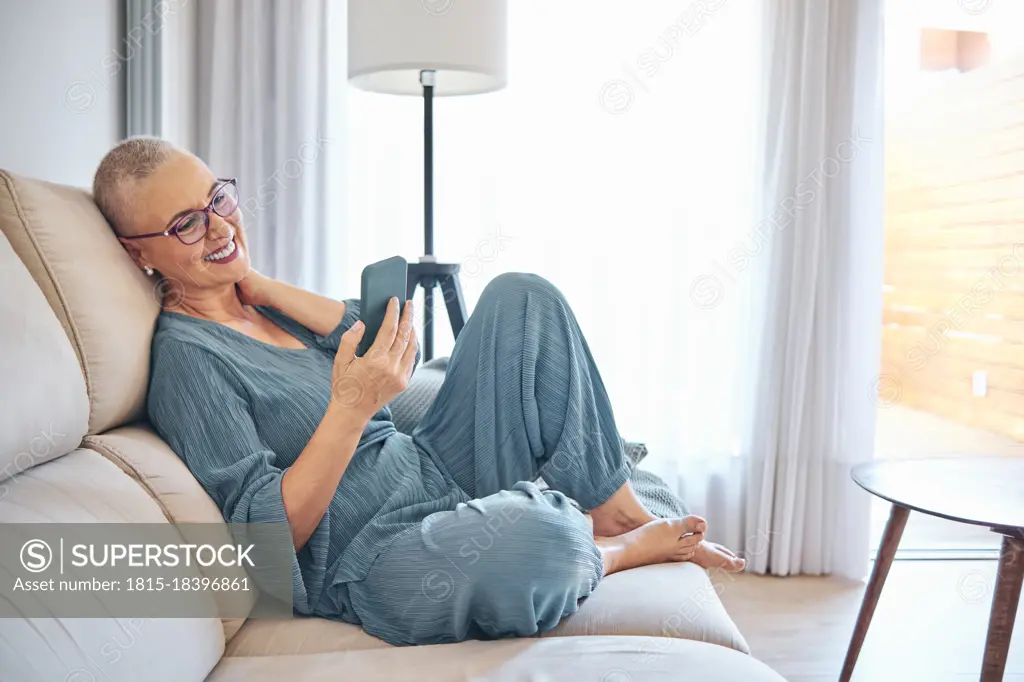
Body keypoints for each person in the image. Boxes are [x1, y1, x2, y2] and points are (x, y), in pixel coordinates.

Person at [92, 137, 744, 647]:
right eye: (186, 224)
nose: (218, 226)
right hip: (375, 556)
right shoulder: (188, 362)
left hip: (433, 464)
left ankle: (615, 509)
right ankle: (618, 549)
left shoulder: (266, 306)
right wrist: (351, 409)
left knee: (523, 295)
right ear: (138, 252)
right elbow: (264, 539)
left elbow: (370, 337)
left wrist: (256, 284)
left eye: (220, 199)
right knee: (537, 540)